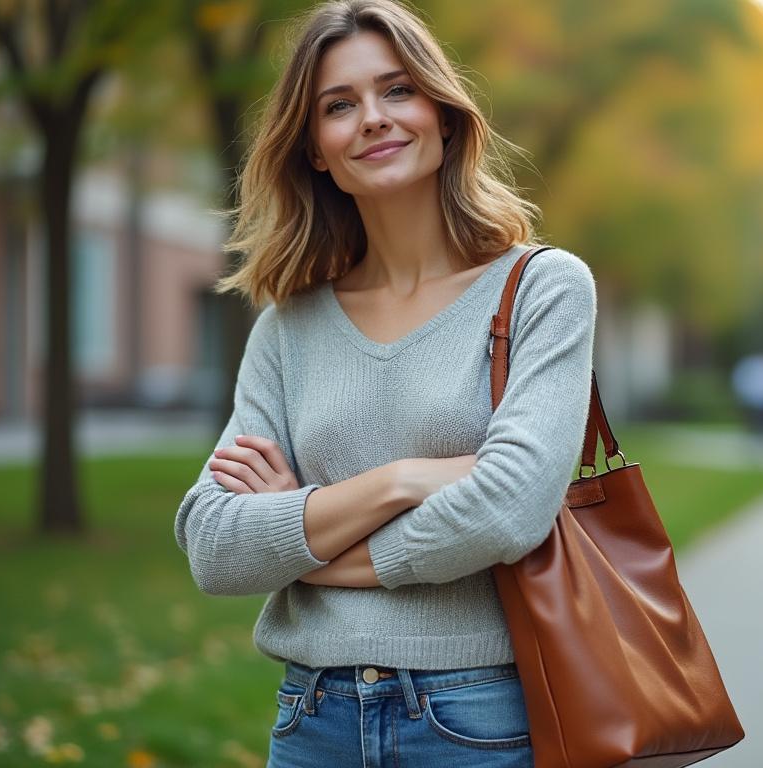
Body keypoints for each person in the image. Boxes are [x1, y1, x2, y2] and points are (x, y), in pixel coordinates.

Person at [173, 2, 595, 765]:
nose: (373, 118)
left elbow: (509, 508)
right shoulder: (287, 327)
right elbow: (213, 546)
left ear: (443, 115)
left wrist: (303, 538)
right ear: (317, 152)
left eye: (397, 90)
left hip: (478, 716)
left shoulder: (542, 289)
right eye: (339, 105)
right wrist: (404, 481)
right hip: (312, 719)